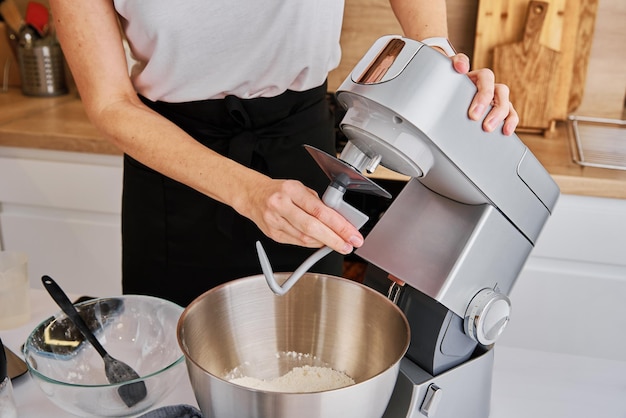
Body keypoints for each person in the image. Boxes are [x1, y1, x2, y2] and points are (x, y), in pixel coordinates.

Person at [49, 0, 519, 306]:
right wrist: (247, 191)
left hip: (300, 144)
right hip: (175, 167)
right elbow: (110, 102)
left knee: (308, 363)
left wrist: (437, 58)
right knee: (174, 369)